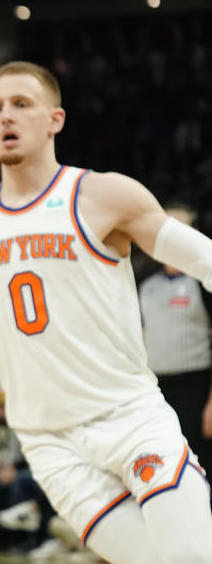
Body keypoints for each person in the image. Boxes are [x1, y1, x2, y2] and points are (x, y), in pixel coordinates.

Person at [0, 60, 212, 563]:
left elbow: (204, 260)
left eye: (21, 104)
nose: (6, 117)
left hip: (128, 417)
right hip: (49, 443)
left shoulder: (103, 195)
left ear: (55, 120)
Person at [138, 204, 212, 493]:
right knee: (167, 463)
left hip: (197, 385)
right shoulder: (145, 283)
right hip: (158, 389)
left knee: (202, 461)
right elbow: (140, 341)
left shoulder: (203, 281)